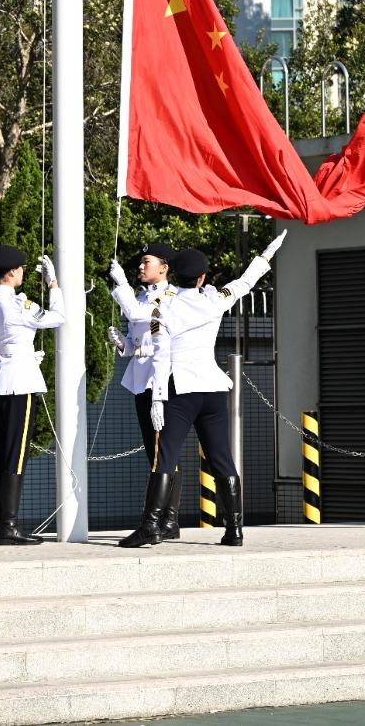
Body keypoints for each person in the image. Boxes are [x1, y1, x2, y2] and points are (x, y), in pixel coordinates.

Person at [110, 232, 285, 549]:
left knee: (163, 459)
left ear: (173, 273)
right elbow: (245, 282)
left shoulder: (165, 305)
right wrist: (266, 256)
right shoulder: (215, 299)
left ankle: (151, 526)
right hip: (213, 387)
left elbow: (158, 348)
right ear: (203, 276)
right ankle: (234, 530)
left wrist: (158, 398)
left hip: (180, 388)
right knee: (222, 459)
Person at [0, 244, 64, 546]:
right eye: (22, 268)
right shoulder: (19, 304)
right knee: (15, 456)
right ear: (12, 272)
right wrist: (53, 284)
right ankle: (9, 526)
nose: (23, 273)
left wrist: (13, 353)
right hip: (20, 385)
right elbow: (57, 317)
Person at [106, 242, 182, 539]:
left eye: (146, 261)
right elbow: (139, 339)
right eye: (139, 261)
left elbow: (139, 315)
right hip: (141, 380)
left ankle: (168, 520)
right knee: (155, 451)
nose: (140, 266)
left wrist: (121, 282)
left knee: (164, 452)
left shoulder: (171, 296)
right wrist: (122, 344)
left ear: (163, 267)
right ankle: (167, 520)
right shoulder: (141, 296)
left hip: (159, 381)